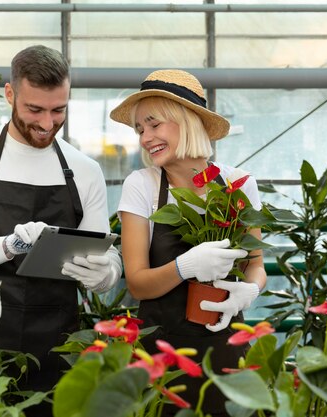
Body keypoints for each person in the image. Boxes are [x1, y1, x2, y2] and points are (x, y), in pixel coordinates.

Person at [0, 45, 122, 415]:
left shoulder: (84, 170)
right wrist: (11, 244)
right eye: (35, 109)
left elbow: (102, 249)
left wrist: (107, 272)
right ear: (9, 94)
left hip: (55, 347)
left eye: (58, 110)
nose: (47, 123)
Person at [111, 69, 266, 416]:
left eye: (154, 124)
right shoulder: (142, 186)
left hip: (226, 343)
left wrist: (249, 292)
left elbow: (255, 265)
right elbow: (137, 283)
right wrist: (185, 266)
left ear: (186, 121)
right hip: (162, 352)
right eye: (140, 129)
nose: (145, 137)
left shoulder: (238, 183)